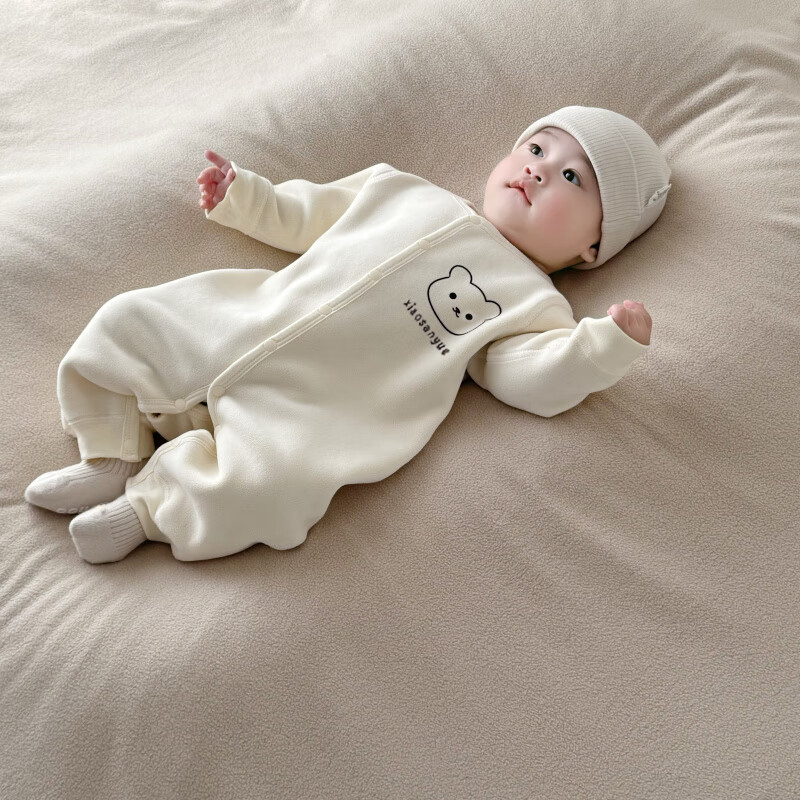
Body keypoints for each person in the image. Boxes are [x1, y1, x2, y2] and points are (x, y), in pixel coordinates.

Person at [24, 105, 672, 564]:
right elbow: (306, 214)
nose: (539, 170)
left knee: (270, 490)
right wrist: (243, 197)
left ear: (592, 248)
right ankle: (109, 453)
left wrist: (602, 349)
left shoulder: (535, 305)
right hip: (246, 317)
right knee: (129, 323)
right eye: (536, 149)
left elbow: (528, 377)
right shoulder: (402, 190)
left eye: (571, 178)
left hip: (320, 409)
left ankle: (146, 511)